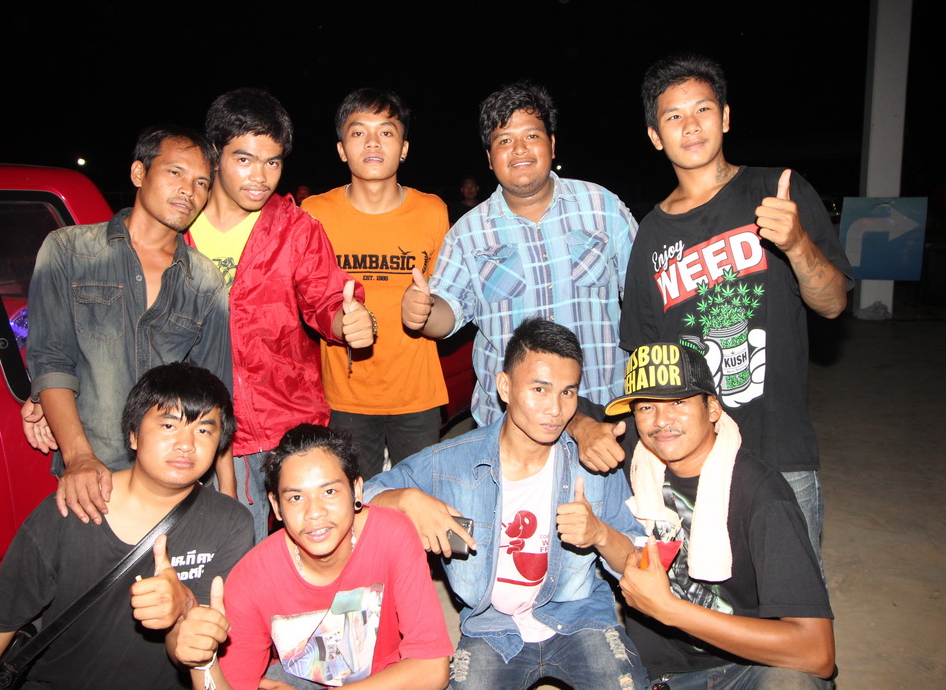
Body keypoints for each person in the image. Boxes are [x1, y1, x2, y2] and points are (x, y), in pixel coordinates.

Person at [620, 54, 853, 553]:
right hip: (692, 456)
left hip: (779, 448)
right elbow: (645, 356)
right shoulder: (651, 235)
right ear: (655, 136)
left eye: (703, 109)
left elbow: (833, 303)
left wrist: (797, 244)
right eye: (673, 116)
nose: (691, 125)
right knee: (705, 591)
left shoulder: (778, 191)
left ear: (725, 117)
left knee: (794, 593)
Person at [364, 318, 648, 690]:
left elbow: (637, 562)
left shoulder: (591, 463)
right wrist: (406, 500)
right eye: (540, 389)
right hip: (491, 627)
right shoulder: (453, 463)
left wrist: (600, 534)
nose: (555, 409)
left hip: (579, 618)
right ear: (505, 387)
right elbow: (359, 501)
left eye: (567, 392)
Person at [0, 363, 255, 689]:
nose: (186, 444)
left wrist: (184, 607)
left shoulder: (229, 524)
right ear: (133, 435)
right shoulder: (70, 509)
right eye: (168, 425)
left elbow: (190, 648)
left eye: (204, 430)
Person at [400, 82, 638, 473]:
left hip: (606, 415)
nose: (520, 149)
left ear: (552, 144)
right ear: (490, 157)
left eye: (531, 136)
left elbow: (645, 297)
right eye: (505, 140)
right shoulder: (468, 233)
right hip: (511, 431)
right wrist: (422, 312)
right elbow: (446, 314)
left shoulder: (602, 207)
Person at [188, 87, 375, 542]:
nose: (261, 177)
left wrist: (349, 322)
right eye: (244, 159)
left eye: (272, 162)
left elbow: (327, 301)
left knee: (313, 547)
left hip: (285, 423)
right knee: (225, 555)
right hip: (199, 427)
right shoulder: (176, 227)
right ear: (214, 154)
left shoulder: (295, 229)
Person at [21, 126, 232, 526]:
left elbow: (214, 391)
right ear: (139, 173)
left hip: (175, 483)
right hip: (91, 480)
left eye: (201, 182)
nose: (188, 190)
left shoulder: (205, 280)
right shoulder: (69, 251)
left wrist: (228, 489)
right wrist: (78, 457)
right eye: (175, 172)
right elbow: (51, 361)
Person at [608, 342, 835, 687]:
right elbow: (563, 407)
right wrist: (584, 427)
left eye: (679, 402)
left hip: (753, 667)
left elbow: (817, 652)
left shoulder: (762, 494)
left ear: (713, 408)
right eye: (646, 406)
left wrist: (670, 609)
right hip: (668, 674)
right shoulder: (635, 460)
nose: (661, 420)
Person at [172, 424, 452, 689]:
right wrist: (203, 664)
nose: (314, 513)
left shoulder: (392, 534)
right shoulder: (252, 578)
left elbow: (431, 668)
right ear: (276, 506)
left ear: (356, 490)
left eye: (329, 491)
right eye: (296, 498)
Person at [302, 88, 449, 478]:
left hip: (417, 396)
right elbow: (305, 300)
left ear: (404, 148)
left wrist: (427, 308)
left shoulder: (433, 211)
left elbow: (448, 299)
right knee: (352, 503)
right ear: (341, 149)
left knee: (418, 504)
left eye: (386, 132)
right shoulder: (314, 213)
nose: (372, 142)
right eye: (358, 132)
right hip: (343, 397)